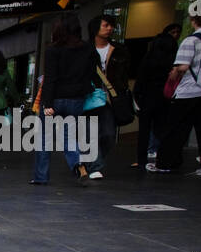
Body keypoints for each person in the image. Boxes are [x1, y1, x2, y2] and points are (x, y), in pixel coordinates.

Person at [152, 5, 201, 176]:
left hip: (190, 91)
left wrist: (174, 73)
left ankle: (166, 163)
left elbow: (183, 66)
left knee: (176, 129)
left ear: (194, 20)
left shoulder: (191, 40)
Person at [37, 14, 96, 186]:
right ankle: (78, 165)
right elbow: (91, 74)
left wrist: (47, 103)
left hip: (55, 99)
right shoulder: (88, 49)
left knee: (44, 138)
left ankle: (41, 176)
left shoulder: (52, 50)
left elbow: (50, 78)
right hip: (76, 99)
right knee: (68, 135)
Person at [85, 14, 131, 180]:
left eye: (111, 25)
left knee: (109, 135)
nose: (109, 28)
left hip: (111, 98)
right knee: (90, 133)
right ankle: (94, 166)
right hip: (89, 97)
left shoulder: (119, 50)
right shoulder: (84, 49)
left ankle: (91, 161)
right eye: (105, 25)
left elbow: (125, 73)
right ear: (95, 27)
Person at [132, 23, 180, 168]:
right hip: (166, 98)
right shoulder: (174, 62)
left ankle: (142, 160)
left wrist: (138, 97)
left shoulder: (149, 59)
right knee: (164, 129)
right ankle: (167, 158)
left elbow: (140, 80)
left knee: (144, 130)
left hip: (147, 97)